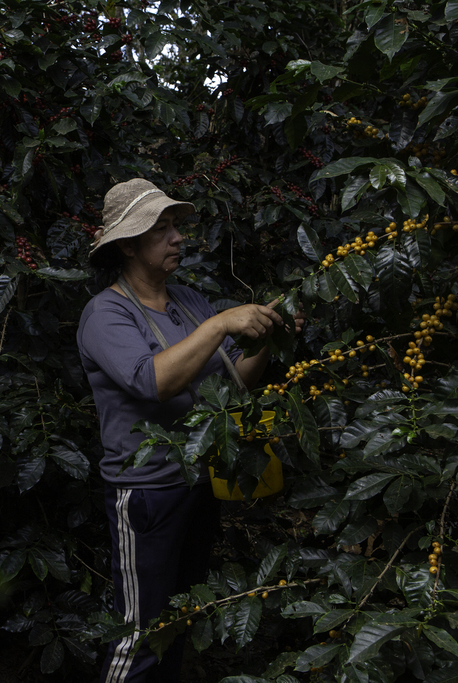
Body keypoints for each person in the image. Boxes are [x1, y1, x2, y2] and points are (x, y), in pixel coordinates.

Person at [77, 178, 303, 683]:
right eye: (163, 229)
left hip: (199, 485)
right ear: (129, 245)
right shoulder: (107, 313)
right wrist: (223, 323)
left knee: (175, 625)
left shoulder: (188, 301)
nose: (178, 237)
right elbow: (152, 380)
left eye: (176, 226)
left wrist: (270, 338)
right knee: (139, 634)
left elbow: (234, 379)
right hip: (147, 495)